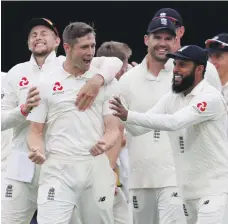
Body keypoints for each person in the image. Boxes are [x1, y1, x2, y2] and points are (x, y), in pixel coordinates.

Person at [1, 18, 122, 224]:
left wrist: (97, 80)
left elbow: (115, 62)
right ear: (28, 43)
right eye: (33, 34)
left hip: (68, 163)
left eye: (44, 33)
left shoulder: (76, 65)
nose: (38, 37)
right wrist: (22, 110)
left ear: (59, 42)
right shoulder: (15, 74)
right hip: (27, 162)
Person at [110, 45, 228, 224]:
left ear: (199, 69)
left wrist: (129, 115)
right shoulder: (172, 98)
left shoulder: (209, 98)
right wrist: (122, 115)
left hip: (215, 190)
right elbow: (137, 129)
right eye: (175, 64)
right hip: (187, 192)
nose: (176, 70)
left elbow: (175, 122)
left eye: (183, 65)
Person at [111, 17, 186, 224]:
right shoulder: (127, 80)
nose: (163, 43)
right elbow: (117, 130)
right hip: (139, 177)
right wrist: (109, 169)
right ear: (146, 40)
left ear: (175, 41)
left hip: (175, 177)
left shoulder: (186, 76)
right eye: (157, 37)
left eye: (168, 38)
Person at [96, 40, 133, 224]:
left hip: (115, 163)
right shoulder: (108, 89)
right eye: (126, 63)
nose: (127, 68)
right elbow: (116, 132)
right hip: (107, 163)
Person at [153, 8, 222, 92]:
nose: (164, 34)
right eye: (158, 30)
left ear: (181, 31)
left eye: (170, 28)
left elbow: (217, 102)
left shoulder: (207, 68)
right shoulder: (137, 72)